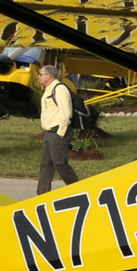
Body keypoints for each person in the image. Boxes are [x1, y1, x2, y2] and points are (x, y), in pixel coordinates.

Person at [37, 64, 80, 194]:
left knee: (60, 164)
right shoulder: (48, 89)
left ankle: (79, 189)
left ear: (48, 76)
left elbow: (66, 113)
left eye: (41, 74)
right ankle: (42, 194)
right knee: (46, 164)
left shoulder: (59, 89)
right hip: (49, 133)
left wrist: (61, 132)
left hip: (59, 132)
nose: (38, 77)